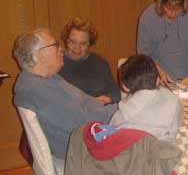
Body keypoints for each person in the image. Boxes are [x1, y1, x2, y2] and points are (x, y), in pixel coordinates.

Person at [12, 28, 116, 164]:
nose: (61, 49)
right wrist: (121, 110)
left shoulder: (45, 78)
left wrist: (102, 105)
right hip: (83, 148)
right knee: (143, 139)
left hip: (87, 131)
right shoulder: (39, 91)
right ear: (40, 55)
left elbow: (80, 101)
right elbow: (83, 123)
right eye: (55, 45)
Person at [109, 54, 182, 145]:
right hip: (163, 155)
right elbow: (173, 134)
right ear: (158, 80)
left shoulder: (120, 114)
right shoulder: (173, 101)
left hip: (131, 156)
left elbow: (111, 136)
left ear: (124, 87)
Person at [59, 18, 120, 103]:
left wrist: (107, 99)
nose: (77, 48)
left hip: (101, 110)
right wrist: (90, 103)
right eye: (73, 42)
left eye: (83, 44)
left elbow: (115, 93)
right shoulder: (56, 64)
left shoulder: (99, 62)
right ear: (66, 41)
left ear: (89, 44)